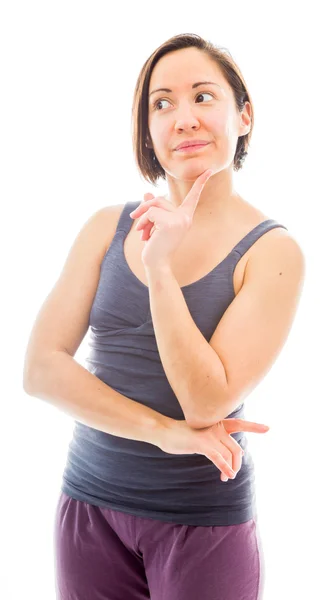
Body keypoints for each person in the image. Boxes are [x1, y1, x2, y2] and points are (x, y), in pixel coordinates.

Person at [24, 33, 305, 600]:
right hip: (87, 507)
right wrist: (165, 434)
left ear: (244, 116)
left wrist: (160, 271)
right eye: (162, 103)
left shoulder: (273, 251)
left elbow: (206, 401)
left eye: (204, 97)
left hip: (201, 522)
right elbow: (41, 370)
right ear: (148, 131)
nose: (184, 118)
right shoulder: (107, 226)